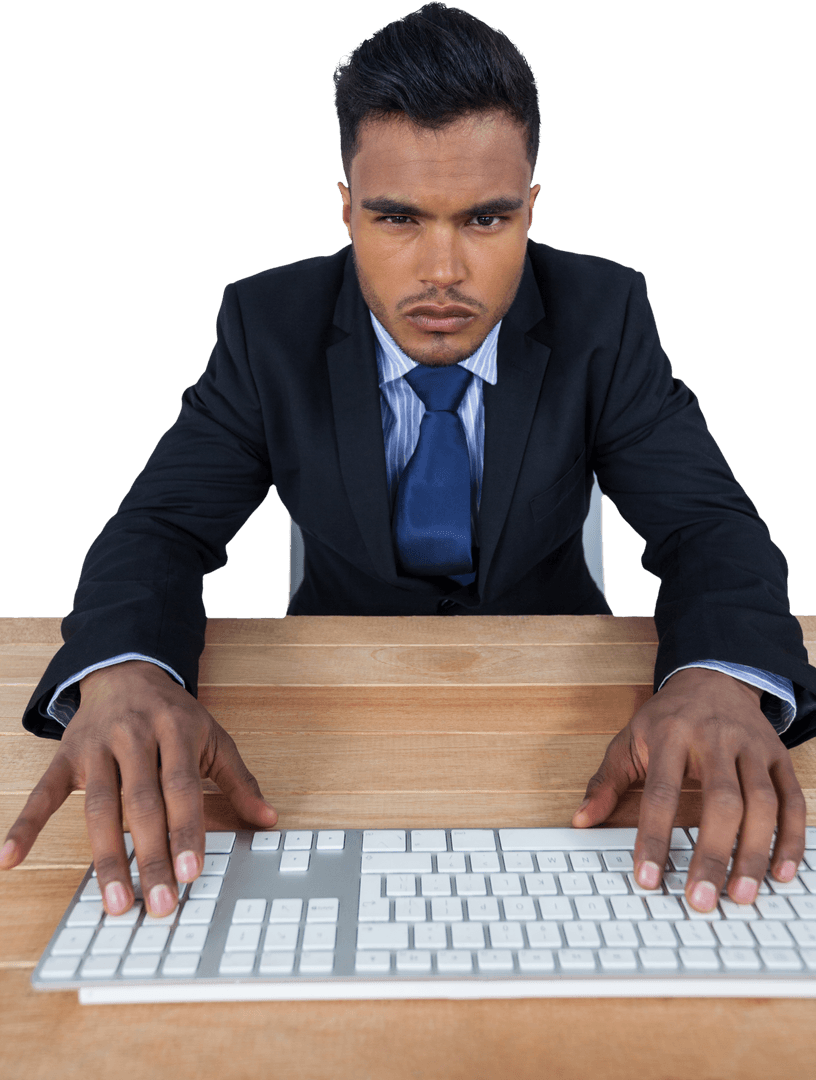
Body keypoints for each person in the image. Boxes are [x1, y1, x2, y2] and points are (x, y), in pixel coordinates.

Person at [3, 2, 815, 930]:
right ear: (346, 209)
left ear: (531, 210)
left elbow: (707, 525)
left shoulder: (605, 315)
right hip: (331, 708)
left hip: (564, 707)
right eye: (396, 217)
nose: (442, 270)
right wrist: (127, 671)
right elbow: (162, 526)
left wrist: (713, 675)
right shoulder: (268, 328)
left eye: (485, 218)